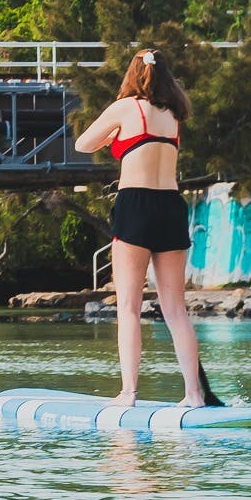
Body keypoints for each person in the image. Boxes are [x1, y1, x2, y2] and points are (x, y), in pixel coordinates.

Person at [73, 48, 208, 404]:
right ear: (167, 77)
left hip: (136, 205)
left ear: (133, 75)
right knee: (175, 309)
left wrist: (112, 138)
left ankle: (129, 392)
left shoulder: (126, 107)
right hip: (171, 206)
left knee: (129, 307)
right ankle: (194, 393)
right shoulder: (174, 115)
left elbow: (83, 143)